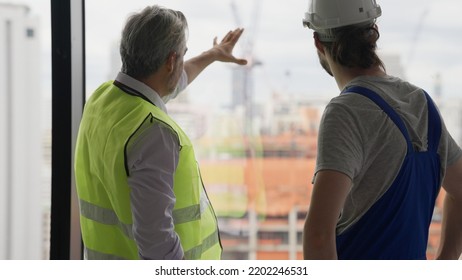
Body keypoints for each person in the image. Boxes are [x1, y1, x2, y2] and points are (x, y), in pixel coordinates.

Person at [74, 5, 247, 260]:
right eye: (182, 55)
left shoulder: (102, 99)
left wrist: (212, 54)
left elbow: (174, 80)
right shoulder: (153, 132)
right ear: (171, 61)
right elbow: (158, 245)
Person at [301, 0, 462, 259]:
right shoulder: (420, 102)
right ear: (374, 31)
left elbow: (319, 235)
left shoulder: (346, 111)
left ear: (318, 42)